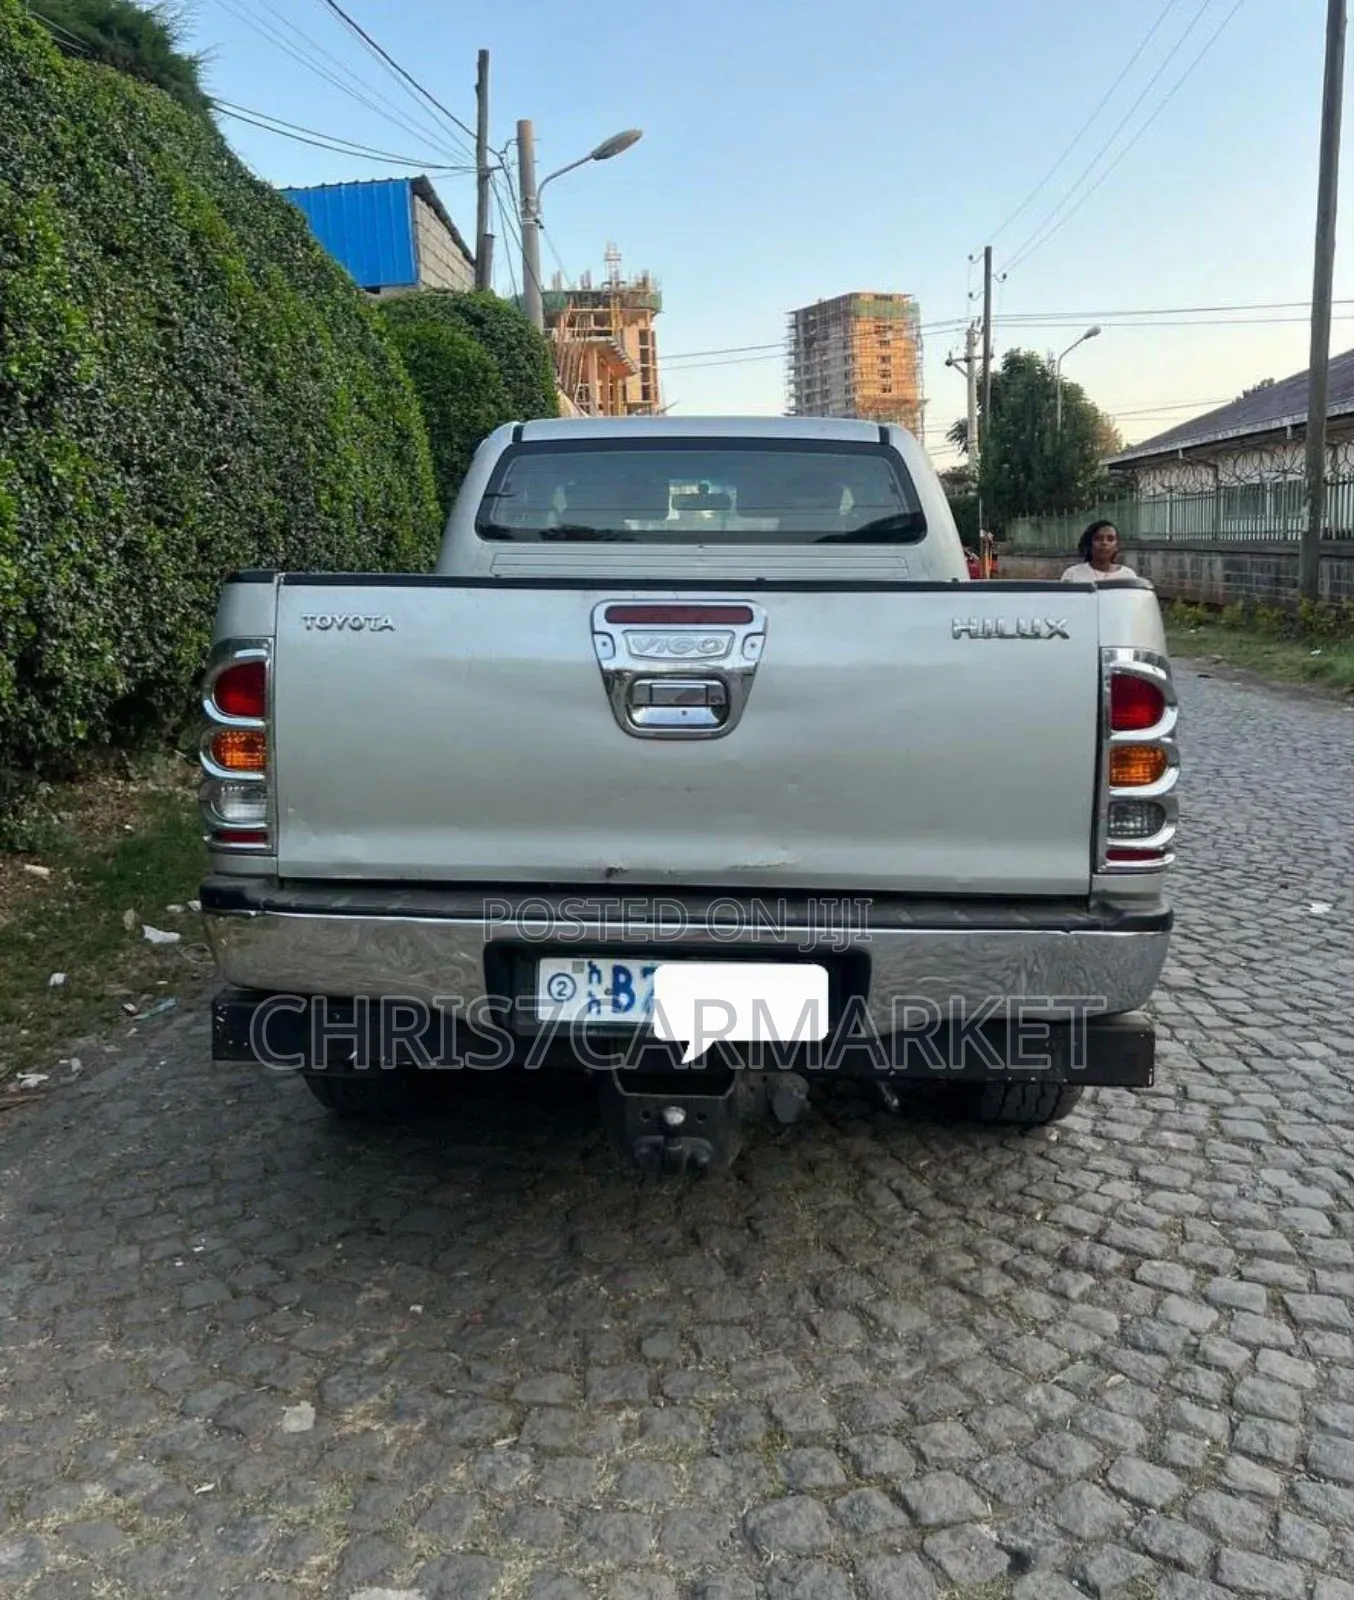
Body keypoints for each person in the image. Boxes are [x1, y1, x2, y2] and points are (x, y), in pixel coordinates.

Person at [1061, 520, 1138, 583]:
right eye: (1098, 538)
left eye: (1110, 539)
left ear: (1116, 546)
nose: (1104, 543)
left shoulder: (1128, 576)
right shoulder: (1072, 574)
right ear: (1089, 544)